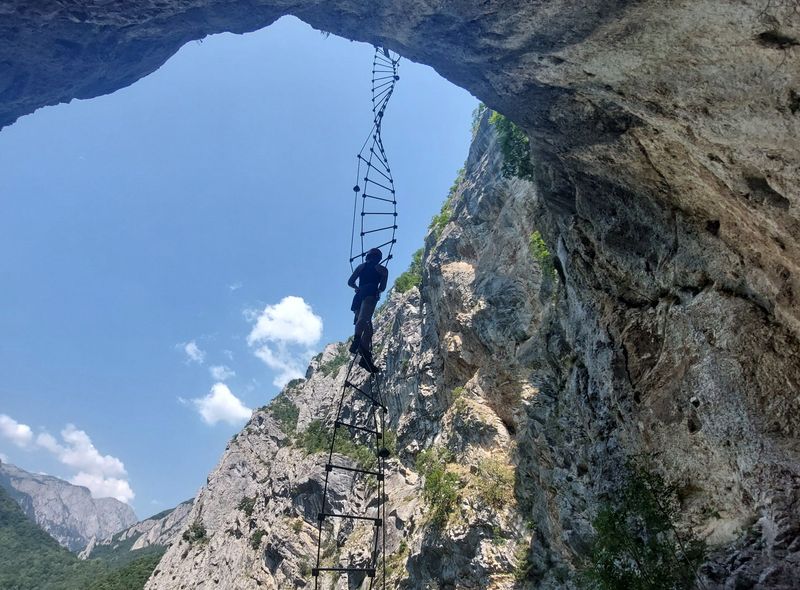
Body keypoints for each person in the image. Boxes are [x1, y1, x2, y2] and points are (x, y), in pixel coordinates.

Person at [347, 248, 389, 372]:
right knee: (364, 319)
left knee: (368, 330)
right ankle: (357, 343)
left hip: (359, 295)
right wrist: (377, 290)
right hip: (371, 293)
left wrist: (357, 287)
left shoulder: (361, 267)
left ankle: (364, 356)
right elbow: (382, 287)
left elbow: (350, 282)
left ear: (368, 257)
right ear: (379, 258)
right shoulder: (382, 270)